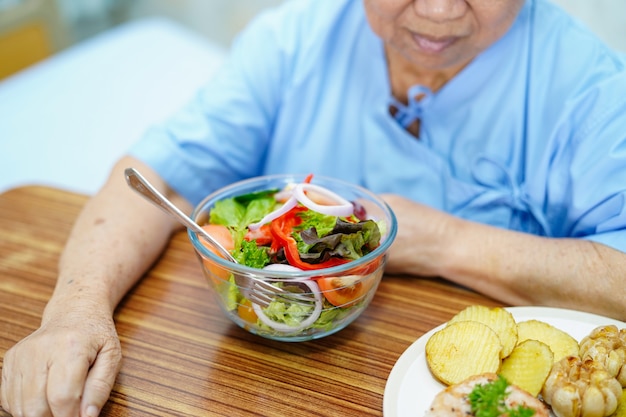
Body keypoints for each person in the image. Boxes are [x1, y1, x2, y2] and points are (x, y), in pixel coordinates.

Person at [3, 0, 626, 415]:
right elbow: (151, 175)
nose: (438, 12)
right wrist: (73, 315)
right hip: (256, 381)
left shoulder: (589, 86)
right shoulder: (292, 39)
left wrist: (443, 240)